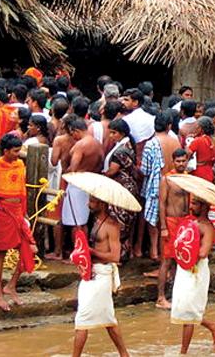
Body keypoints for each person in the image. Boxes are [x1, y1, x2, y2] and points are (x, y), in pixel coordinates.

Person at [73, 195, 129, 357]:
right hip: (91, 274)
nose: (88, 204)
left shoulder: (112, 226)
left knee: (82, 319)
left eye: (92, 201)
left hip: (102, 277)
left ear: (102, 204)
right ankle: (124, 355)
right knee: (108, 320)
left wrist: (92, 252)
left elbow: (115, 256)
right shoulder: (95, 222)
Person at [0, 134, 36, 311]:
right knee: (1, 251)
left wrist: (24, 214)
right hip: (2, 213)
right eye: (16, 151)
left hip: (18, 213)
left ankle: (12, 285)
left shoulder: (19, 164)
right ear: (6, 151)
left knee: (30, 249)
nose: (18, 154)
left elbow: (22, 191)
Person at [171, 197, 215, 353]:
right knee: (182, 307)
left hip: (196, 271)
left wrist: (190, 245)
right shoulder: (190, 223)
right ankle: (213, 326)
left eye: (195, 204)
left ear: (204, 206)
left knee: (188, 311)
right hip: (184, 269)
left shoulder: (207, 228)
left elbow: (203, 252)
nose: (191, 206)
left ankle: (183, 352)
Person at [156, 148, 190, 309]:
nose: (181, 164)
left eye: (184, 161)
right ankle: (161, 297)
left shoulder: (189, 178)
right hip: (170, 222)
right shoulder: (167, 179)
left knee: (180, 260)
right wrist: (163, 226)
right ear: (173, 161)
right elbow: (161, 203)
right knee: (166, 261)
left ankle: (176, 294)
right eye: (178, 161)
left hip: (185, 222)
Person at [140, 112, 176, 260]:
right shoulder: (176, 141)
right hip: (173, 183)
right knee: (167, 220)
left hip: (156, 186)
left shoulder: (151, 143)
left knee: (154, 220)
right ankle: (164, 252)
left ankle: (155, 250)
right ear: (169, 126)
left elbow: (145, 170)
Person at [187, 117, 215, 183]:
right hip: (210, 172)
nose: (195, 129)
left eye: (196, 127)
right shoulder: (214, 140)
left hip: (198, 173)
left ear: (201, 128)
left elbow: (188, 154)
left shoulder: (198, 140)